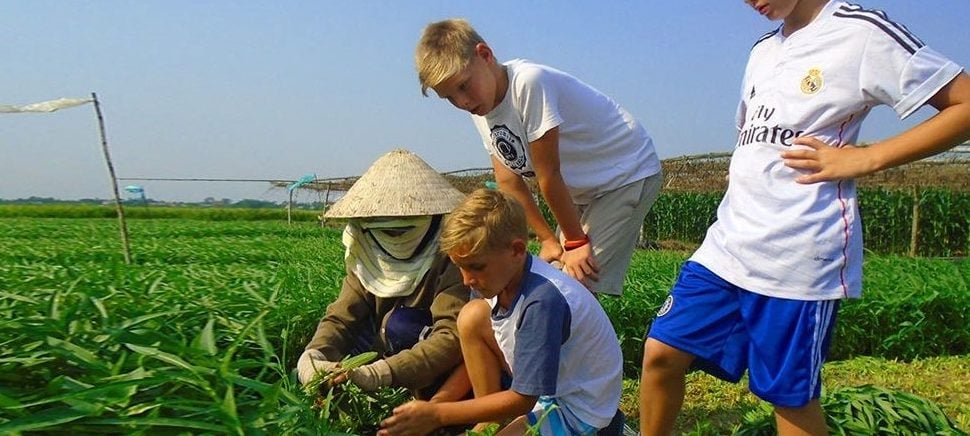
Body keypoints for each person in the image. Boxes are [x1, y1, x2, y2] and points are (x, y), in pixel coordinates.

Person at [639, 1, 970, 435]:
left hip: (797, 253)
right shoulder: (762, 51)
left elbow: (962, 105)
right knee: (661, 353)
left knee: (788, 398)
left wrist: (870, 157)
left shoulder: (860, 31)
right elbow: (754, 136)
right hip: (729, 244)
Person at [415, 19, 663, 295]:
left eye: (463, 87)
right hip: (583, 191)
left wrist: (576, 243)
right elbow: (508, 181)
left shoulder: (528, 84)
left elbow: (549, 174)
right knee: (554, 276)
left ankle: (588, 337)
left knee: (573, 284)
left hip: (625, 172)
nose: (461, 102)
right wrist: (547, 240)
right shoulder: (481, 110)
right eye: (449, 97)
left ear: (484, 55)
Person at [378, 188, 623, 435]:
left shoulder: (541, 302)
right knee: (472, 316)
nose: (466, 280)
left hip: (579, 409)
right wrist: (435, 405)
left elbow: (523, 398)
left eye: (475, 267)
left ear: (517, 250)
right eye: (460, 267)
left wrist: (438, 415)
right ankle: (488, 423)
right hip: (551, 389)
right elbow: (476, 359)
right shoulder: (500, 279)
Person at [297, 148, 472, 402]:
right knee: (345, 350)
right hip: (382, 342)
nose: (392, 238)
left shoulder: (450, 254)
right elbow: (342, 318)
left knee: (400, 325)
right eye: (384, 229)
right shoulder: (366, 252)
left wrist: (382, 373)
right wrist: (315, 355)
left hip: (428, 358)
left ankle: (418, 395)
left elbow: (451, 336)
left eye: (400, 229)